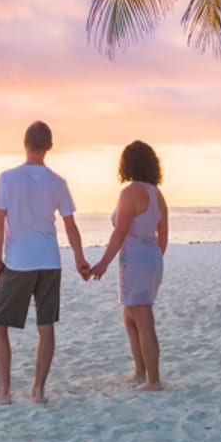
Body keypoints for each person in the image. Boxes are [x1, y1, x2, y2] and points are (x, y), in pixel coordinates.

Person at [0, 120, 90, 405]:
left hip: (18, 261)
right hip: (49, 261)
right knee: (46, 327)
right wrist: (79, 259)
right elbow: (70, 226)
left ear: (25, 144)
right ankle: (39, 391)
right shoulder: (58, 182)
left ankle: (4, 391)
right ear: (50, 147)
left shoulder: (7, 178)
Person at [90, 140, 170, 392]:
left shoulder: (130, 192)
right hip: (151, 257)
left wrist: (102, 263)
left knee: (143, 320)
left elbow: (120, 232)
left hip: (135, 259)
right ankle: (140, 372)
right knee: (129, 316)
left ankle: (153, 380)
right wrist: (155, 258)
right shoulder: (157, 194)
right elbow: (163, 234)